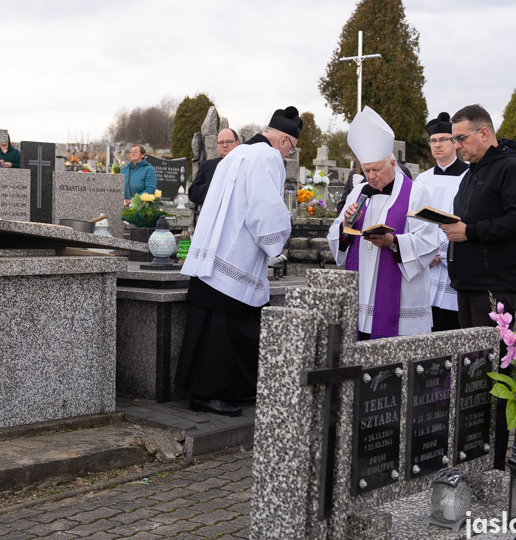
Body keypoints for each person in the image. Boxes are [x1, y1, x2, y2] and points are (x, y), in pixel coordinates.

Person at [175, 107, 299, 416]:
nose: (287, 155)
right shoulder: (268, 158)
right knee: (226, 330)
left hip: (212, 252)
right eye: (291, 149)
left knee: (209, 326)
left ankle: (203, 392)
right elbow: (264, 209)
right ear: (283, 140)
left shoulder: (237, 153)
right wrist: (278, 239)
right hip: (236, 257)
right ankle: (213, 394)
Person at [442, 104, 516, 470]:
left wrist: (470, 231)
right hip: (468, 286)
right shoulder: (471, 174)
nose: (457, 145)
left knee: (492, 379)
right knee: (472, 380)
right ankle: (471, 456)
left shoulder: (510, 168)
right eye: (454, 139)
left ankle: (493, 464)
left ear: (484, 133)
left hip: (494, 289)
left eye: (461, 138)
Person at [327, 106, 438, 339]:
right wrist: (345, 224)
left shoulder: (417, 193)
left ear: (393, 164)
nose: (371, 176)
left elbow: (428, 242)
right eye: (367, 170)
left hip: (399, 300)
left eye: (377, 169)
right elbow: (336, 237)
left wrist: (393, 242)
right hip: (359, 293)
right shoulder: (357, 192)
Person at [414, 112, 468, 331]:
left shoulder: (469, 176)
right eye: (433, 140)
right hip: (426, 265)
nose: (437, 145)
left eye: (443, 139)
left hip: (453, 263)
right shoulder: (422, 179)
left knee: (450, 326)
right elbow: (414, 218)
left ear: (455, 142)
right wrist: (425, 251)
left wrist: (441, 251)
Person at [188, 128, 240, 205]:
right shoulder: (207, 166)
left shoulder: (244, 165)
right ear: (217, 145)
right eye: (221, 142)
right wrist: (215, 184)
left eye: (229, 141)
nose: (225, 145)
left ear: (238, 143)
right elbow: (193, 194)